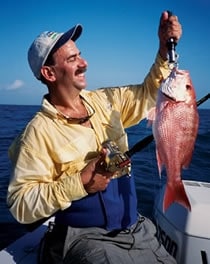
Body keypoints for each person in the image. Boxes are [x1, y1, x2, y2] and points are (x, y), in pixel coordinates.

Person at [7, 11, 182, 264]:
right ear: (49, 73)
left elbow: (149, 93)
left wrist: (165, 51)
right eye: (72, 58)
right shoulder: (37, 132)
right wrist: (81, 182)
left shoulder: (105, 100)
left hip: (135, 228)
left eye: (80, 54)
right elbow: (21, 204)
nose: (84, 62)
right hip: (84, 238)